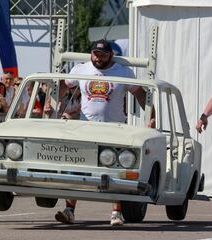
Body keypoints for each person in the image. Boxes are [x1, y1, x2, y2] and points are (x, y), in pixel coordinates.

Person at [54, 39, 151, 226]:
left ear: (110, 55)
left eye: (103, 55)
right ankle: (69, 211)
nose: (98, 58)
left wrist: (150, 116)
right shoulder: (81, 70)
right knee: (77, 168)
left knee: (114, 171)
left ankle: (116, 213)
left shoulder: (123, 72)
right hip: (86, 127)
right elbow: (64, 85)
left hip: (114, 128)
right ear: (91, 53)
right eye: (96, 54)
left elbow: (139, 93)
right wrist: (52, 103)